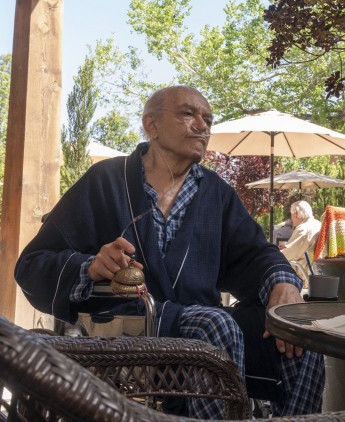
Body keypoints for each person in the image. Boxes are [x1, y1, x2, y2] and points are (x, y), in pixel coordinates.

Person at [14, 85, 324, 419]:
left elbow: (254, 254)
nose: (202, 126)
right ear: (151, 125)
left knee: (303, 337)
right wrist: (90, 266)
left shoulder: (216, 193)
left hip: (206, 328)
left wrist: (282, 281)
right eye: (188, 114)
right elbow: (33, 264)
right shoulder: (106, 181)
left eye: (208, 119)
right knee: (216, 325)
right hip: (127, 332)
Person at [280, 201, 321, 286]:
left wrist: (274, 253)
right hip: (316, 269)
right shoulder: (318, 224)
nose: (291, 219)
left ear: (295, 213)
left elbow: (287, 255)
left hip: (303, 274)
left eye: (291, 215)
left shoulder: (303, 229)